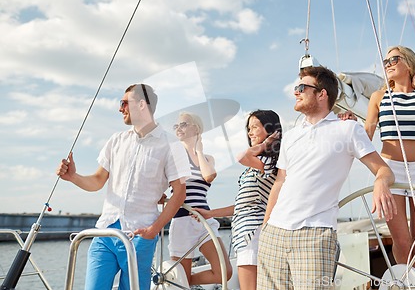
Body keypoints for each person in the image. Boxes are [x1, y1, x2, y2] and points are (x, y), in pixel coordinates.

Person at [257, 65, 396, 290]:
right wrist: (265, 227)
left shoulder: (348, 130)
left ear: (322, 94)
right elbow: (280, 182)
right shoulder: (291, 136)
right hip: (273, 234)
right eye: (296, 87)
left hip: (314, 235)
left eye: (302, 87)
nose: (296, 92)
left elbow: (384, 170)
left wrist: (380, 182)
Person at [56, 84, 191, 290]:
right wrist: (73, 176)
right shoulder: (116, 140)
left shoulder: (171, 145)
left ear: (142, 105)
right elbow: (98, 181)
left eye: (124, 103)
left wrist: (153, 230)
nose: (120, 109)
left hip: (141, 235)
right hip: (105, 232)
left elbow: (179, 193)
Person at [364, 45, 415, 281]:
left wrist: (414, 78)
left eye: (393, 60)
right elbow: (366, 131)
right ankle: (405, 283)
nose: (387, 64)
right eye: (385, 62)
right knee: (403, 240)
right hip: (391, 171)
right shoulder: (379, 96)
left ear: (408, 62)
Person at [195, 109, 282, 290]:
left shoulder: (267, 162)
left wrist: (265, 144)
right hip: (246, 233)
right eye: (248, 128)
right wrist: (211, 213)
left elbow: (241, 156)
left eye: (255, 127)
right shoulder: (257, 164)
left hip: (253, 233)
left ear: (269, 129)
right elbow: (242, 206)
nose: (250, 132)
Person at [167, 112, 232, 287]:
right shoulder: (172, 157)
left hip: (204, 220)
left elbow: (209, 175)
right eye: (176, 126)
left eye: (183, 124)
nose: (178, 128)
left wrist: (198, 151)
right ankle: (181, 282)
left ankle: (181, 282)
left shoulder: (207, 157)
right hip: (181, 221)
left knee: (225, 272)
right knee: (182, 279)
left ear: (196, 127)